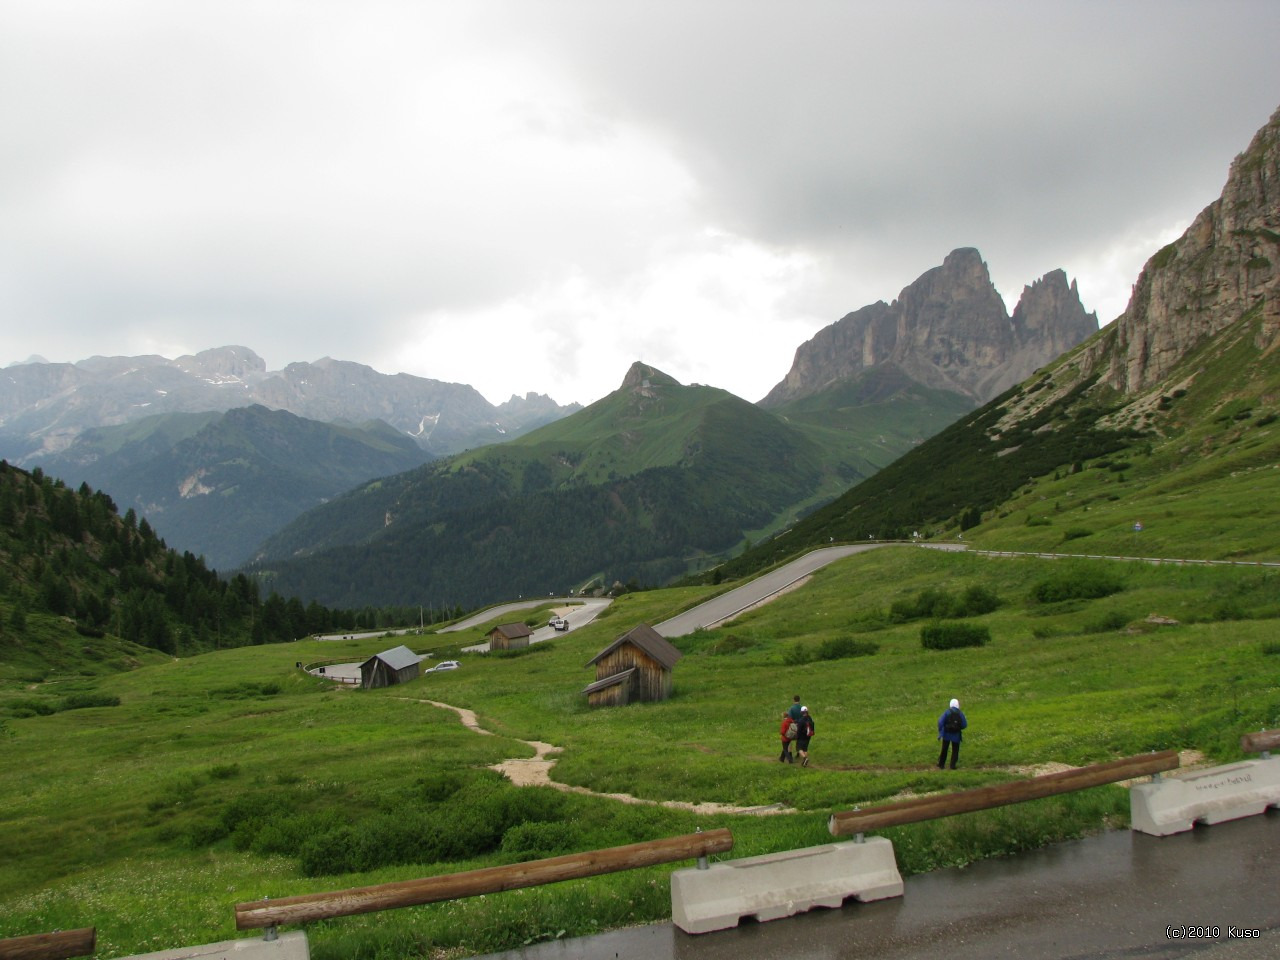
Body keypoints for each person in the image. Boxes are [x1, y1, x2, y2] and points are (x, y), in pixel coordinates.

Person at [937, 697, 967, 769]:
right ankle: (952, 765)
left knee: (944, 749)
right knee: (955, 750)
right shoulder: (960, 713)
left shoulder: (947, 712)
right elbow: (964, 724)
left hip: (947, 734)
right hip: (956, 735)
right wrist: (958, 728)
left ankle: (941, 764)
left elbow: (940, 721)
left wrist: (941, 730)